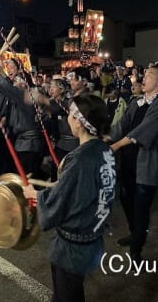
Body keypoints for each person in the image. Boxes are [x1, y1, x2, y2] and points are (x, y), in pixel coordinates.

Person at [24, 94, 116, 302]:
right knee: (72, 291)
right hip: (93, 237)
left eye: (70, 115)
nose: (68, 119)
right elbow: (82, 190)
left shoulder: (79, 159)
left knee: (67, 294)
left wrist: (35, 194)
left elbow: (58, 203)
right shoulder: (104, 150)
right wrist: (60, 183)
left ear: (79, 122)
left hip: (73, 248)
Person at [110, 66, 158, 262]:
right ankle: (135, 233)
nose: (143, 77)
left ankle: (137, 248)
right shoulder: (136, 102)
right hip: (129, 162)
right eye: (144, 74)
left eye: (150, 75)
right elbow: (122, 125)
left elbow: (145, 130)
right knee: (125, 197)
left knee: (140, 207)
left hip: (146, 165)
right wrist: (104, 135)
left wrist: (116, 145)